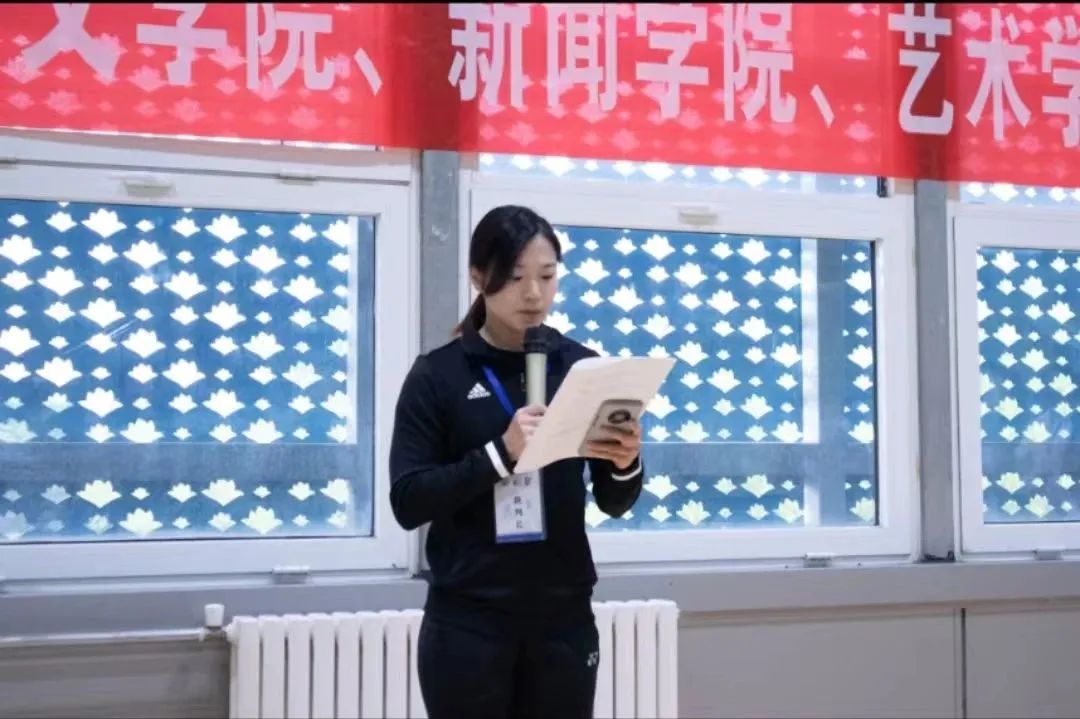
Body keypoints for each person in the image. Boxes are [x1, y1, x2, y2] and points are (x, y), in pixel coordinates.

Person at [389, 205, 645, 719]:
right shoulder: (438, 375)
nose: (533, 294)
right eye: (514, 277)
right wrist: (499, 454)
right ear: (478, 277)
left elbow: (614, 502)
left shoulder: (583, 368)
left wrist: (626, 464)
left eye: (547, 277)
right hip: (469, 622)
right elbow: (408, 501)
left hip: (563, 620)